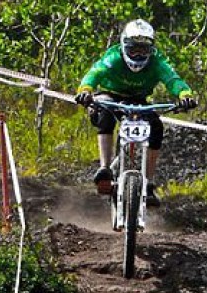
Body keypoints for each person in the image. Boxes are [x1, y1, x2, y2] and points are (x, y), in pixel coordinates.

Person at [74, 19, 197, 207]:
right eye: (133, 50)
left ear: (151, 50)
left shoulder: (157, 62)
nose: (138, 55)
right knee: (104, 114)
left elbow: (173, 80)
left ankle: (147, 183)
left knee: (156, 127)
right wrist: (85, 90)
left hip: (138, 100)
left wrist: (185, 94)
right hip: (110, 95)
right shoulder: (113, 57)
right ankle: (105, 169)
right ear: (124, 46)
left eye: (143, 50)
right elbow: (95, 72)